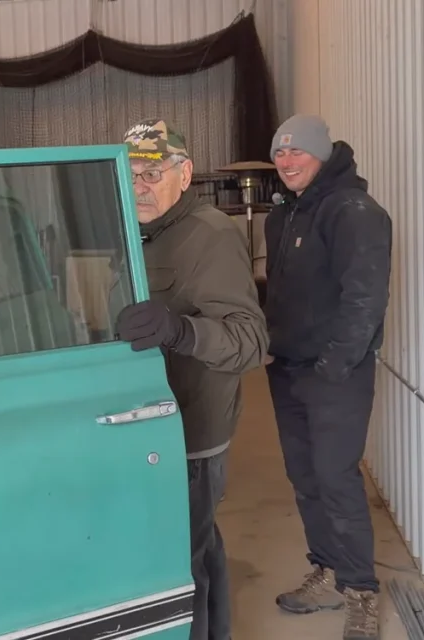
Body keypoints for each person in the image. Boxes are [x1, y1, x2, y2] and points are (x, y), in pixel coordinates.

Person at [111, 118, 269, 640]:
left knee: (180, 568)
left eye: (153, 174)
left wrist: (181, 331)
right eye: (131, 173)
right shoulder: (138, 232)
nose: (140, 186)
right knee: (200, 545)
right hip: (154, 421)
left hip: (190, 436)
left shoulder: (210, 235)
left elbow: (250, 342)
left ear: (185, 174)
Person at [261, 113, 393, 640]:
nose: (286, 161)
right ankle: (328, 571)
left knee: (336, 478)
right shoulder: (284, 214)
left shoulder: (354, 212)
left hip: (335, 373)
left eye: (297, 151)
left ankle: (361, 591)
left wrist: (334, 365)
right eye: (280, 152)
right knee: (305, 477)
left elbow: (365, 298)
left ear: (321, 153)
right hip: (287, 367)